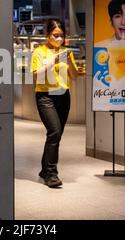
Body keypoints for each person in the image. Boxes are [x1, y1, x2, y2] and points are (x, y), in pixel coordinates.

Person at [31, 20, 78, 188]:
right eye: (55, 35)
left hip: (63, 96)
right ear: (48, 35)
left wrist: (70, 61)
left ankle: (45, 170)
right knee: (54, 131)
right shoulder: (39, 52)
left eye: (62, 36)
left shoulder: (67, 52)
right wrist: (53, 61)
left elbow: (74, 75)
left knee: (56, 135)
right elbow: (36, 75)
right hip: (45, 96)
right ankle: (51, 174)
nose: (59, 39)